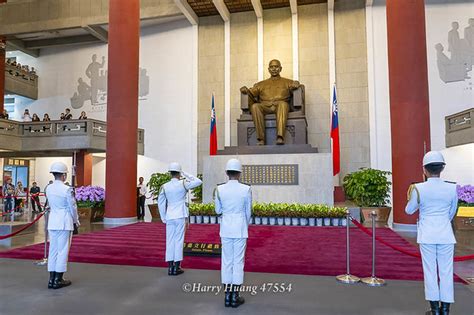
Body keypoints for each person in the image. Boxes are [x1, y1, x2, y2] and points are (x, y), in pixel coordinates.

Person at [405, 151, 457, 315]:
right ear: (442, 168)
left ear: (424, 170)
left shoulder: (418, 189)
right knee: (446, 271)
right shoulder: (452, 187)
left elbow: (409, 210)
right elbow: (452, 212)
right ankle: (446, 309)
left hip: (427, 234)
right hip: (446, 234)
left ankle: (434, 310)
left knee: (430, 271)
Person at [214, 158, 252, 308]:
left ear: (226, 173)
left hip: (226, 228)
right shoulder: (246, 189)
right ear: (240, 173)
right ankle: (235, 296)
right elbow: (248, 212)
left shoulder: (219, 189)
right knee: (238, 261)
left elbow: (217, 211)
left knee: (226, 261)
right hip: (240, 228)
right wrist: (244, 224)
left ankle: (227, 297)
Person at [240, 59, 300, 145]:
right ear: (268, 69)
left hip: (280, 106)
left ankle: (280, 137)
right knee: (255, 106)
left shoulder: (287, 82)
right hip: (265, 106)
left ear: (280, 68)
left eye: (276, 66)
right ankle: (260, 139)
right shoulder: (261, 84)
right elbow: (251, 93)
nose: (274, 69)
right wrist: (245, 90)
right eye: (271, 67)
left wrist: (297, 83)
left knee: (283, 105)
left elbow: (298, 86)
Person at [158, 163, 202, 276]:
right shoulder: (183, 183)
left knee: (170, 240)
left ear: (170, 173)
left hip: (170, 216)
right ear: (178, 173)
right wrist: (185, 173)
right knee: (178, 240)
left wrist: (163, 217)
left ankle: (170, 267)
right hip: (180, 215)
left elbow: (161, 203)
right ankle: (177, 267)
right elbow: (198, 181)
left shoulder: (165, 186)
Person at [45, 162, 79, 289]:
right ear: (64, 175)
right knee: (63, 250)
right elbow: (73, 207)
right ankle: (58, 280)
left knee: (53, 250)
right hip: (64, 222)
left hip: (52, 222)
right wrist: (76, 220)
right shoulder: (67, 189)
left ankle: (51, 279)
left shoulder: (48, 188)